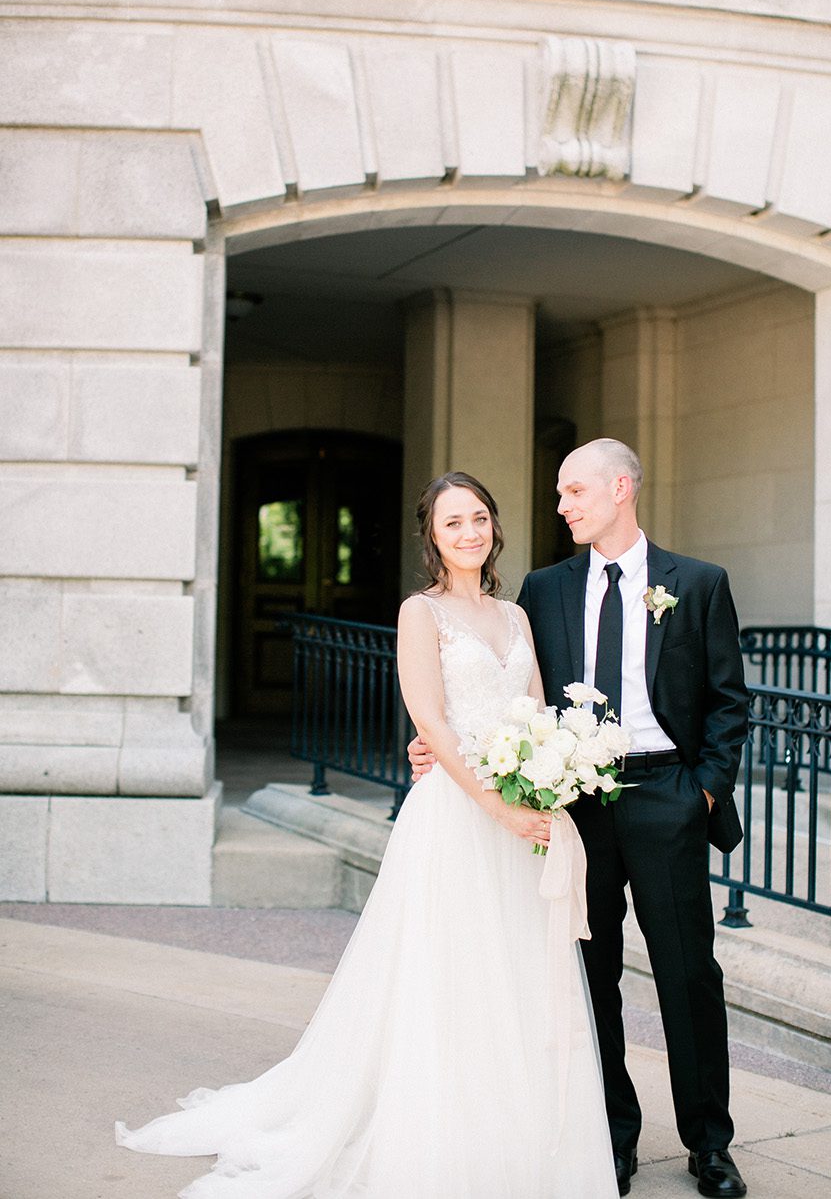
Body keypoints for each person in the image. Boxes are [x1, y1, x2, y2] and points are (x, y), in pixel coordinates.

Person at [116, 470, 619, 1199]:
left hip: (518, 821)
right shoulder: (422, 613)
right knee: (444, 982)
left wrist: (544, 784)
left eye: (479, 517)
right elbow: (433, 724)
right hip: (457, 817)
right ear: (433, 539)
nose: (470, 532)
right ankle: (441, 1139)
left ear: (494, 525)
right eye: (453, 524)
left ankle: (516, 1136)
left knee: (514, 980)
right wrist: (498, 807)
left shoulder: (516, 618)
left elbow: (535, 712)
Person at [411, 441, 749, 1199]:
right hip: (572, 806)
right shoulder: (543, 588)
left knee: (687, 976)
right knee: (585, 977)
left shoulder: (696, 584)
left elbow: (730, 702)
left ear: (619, 488)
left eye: (572, 492)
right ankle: (611, 1139)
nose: (561, 506)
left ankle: (710, 1145)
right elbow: (510, 697)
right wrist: (438, 741)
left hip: (667, 797)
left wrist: (701, 793)